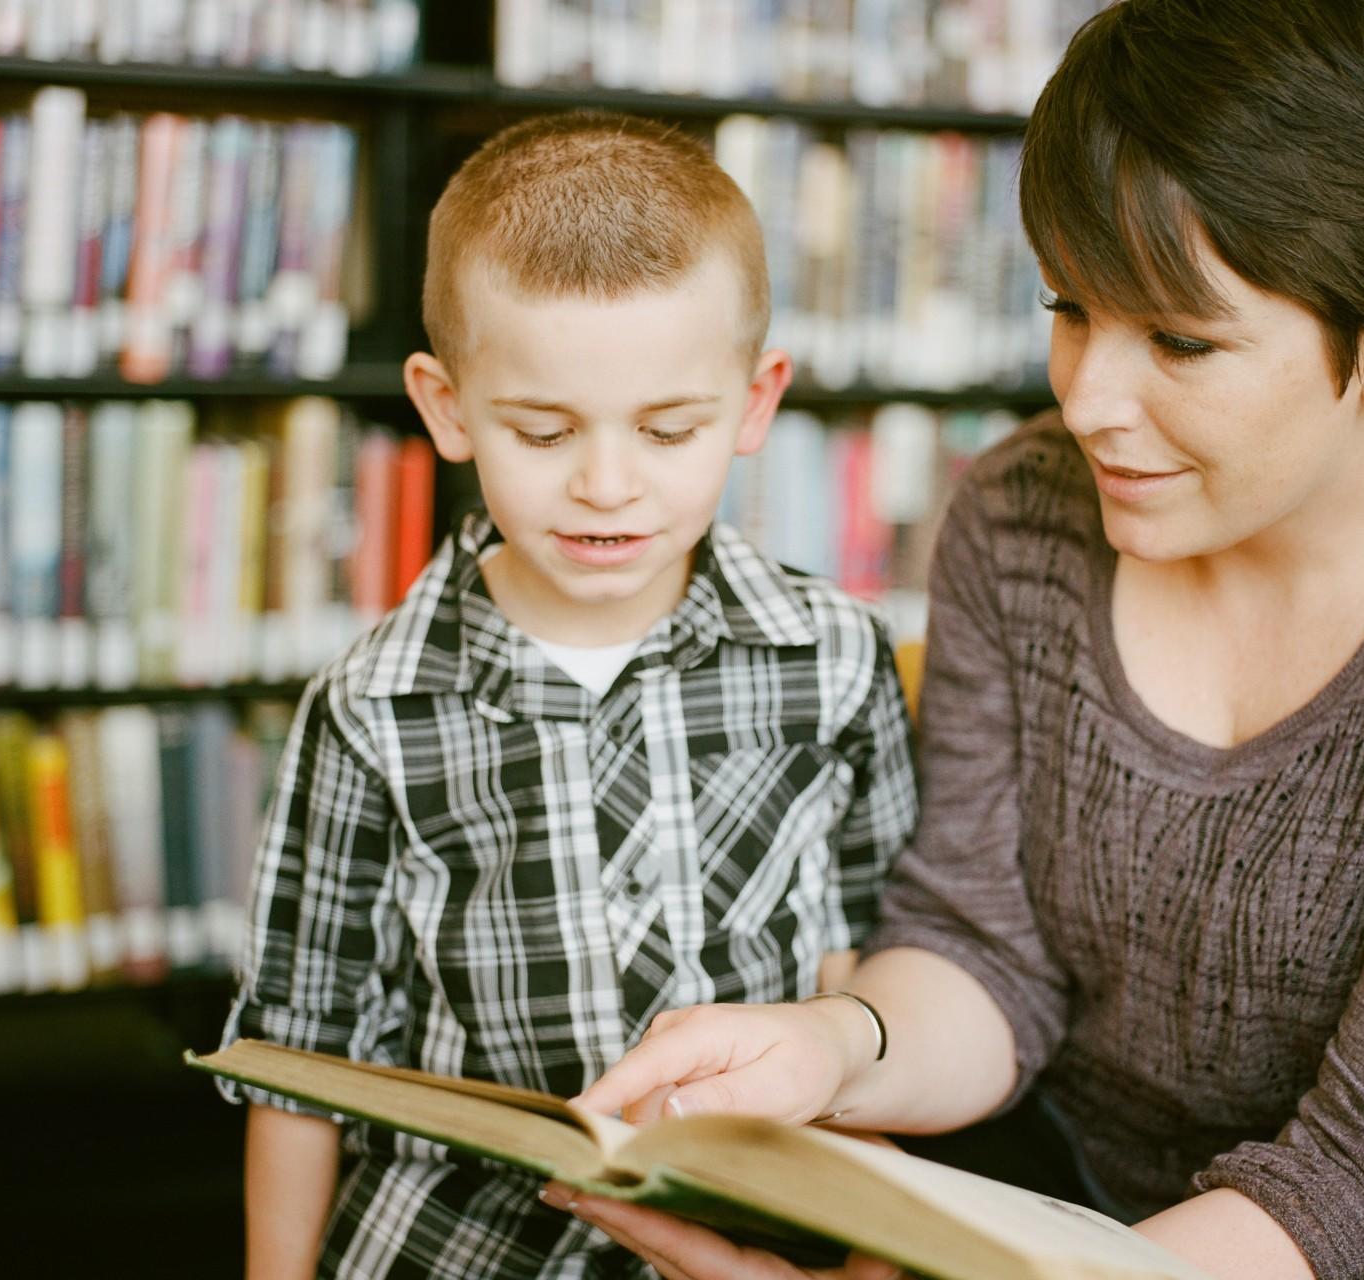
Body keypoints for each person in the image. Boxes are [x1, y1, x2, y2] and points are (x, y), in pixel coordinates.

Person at [554, 4, 1364, 1279]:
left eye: (1179, 340)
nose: (1090, 400)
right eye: (1070, 308)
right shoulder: (1021, 511)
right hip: (1071, 1174)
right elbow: (985, 953)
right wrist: (834, 1045)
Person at [218, 111, 918, 1280]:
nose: (606, 484)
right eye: (542, 430)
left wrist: (876, 1262)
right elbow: (297, 1054)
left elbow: (876, 978)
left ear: (754, 403)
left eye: (667, 427)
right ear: (446, 407)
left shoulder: (836, 657)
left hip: (755, 1241)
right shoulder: (372, 704)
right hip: (457, 1245)